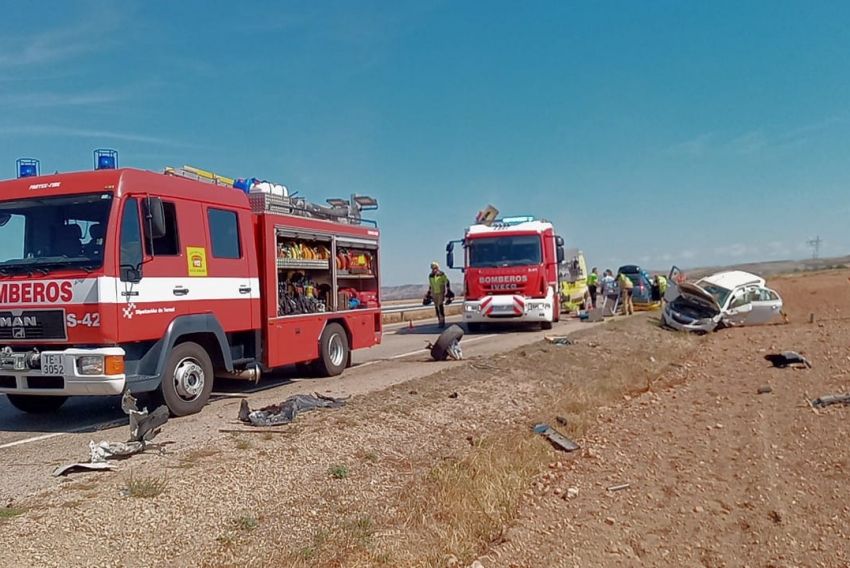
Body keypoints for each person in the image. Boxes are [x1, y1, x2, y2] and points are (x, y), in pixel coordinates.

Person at [426, 261, 451, 328]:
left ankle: (442, 320)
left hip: (440, 292)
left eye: (435, 268)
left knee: (440, 306)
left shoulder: (441, 274)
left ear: (437, 268)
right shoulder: (430, 276)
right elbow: (431, 285)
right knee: (436, 307)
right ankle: (439, 320)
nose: (434, 269)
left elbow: (447, 281)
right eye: (432, 268)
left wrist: (448, 290)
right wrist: (429, 293)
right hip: (434, 293)